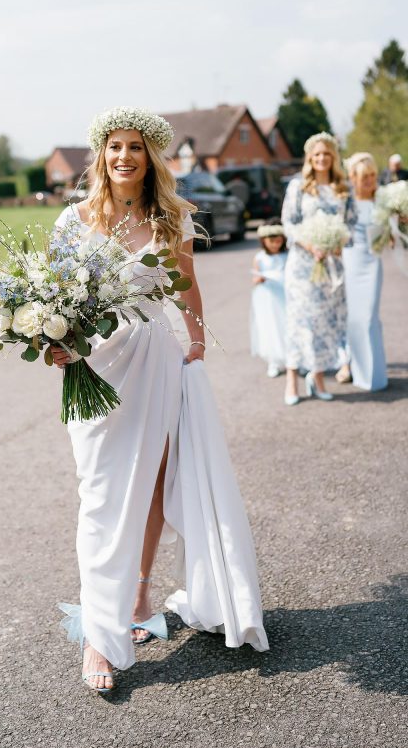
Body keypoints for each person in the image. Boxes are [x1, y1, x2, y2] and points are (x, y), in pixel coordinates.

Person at [52, 107, 268, 693]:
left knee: (151, 481)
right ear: (102, 154)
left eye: (136, 147)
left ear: (151, 158)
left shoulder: (169, 216)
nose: (124, 156)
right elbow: (57, 302)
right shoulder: (73, 221)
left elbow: (186, 280)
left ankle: (139, 596)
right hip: (97, 366)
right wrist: (56, 343)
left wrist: (196, 339)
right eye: (115, 146)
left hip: (156, 358)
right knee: (100, 493)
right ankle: (100, 636)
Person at [281, 132, 357, 406]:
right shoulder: (298, 187)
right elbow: (288, 223)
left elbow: (352, 223)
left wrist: (340, 241)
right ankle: (292, 378)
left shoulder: (343, 188)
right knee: (300, 321)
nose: (321, 158)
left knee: (325, 323)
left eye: (326, 154)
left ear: (333, 157)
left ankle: (318, 376)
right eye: (316, 155)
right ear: (309, 158)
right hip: (302, 265)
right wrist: (310, 244)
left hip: (332, 267)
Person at [340, 153, 388, 391]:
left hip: (373, 262)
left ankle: (376, 374)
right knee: (355, 317)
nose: (369, 180)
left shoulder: (382, 200)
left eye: (372, 175)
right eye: (364, 176)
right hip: (351, 260)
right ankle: (356, 369)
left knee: (370, 316)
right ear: (353, 178)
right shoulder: (345, 201)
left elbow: (391, 233)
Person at [250, 218, 288, 377]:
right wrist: (260, 279)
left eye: (278, 241)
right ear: (263, 241)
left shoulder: (287, 255)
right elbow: (255, 277)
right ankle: (274, 361)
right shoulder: (259, 257)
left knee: (286, 324)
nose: (275, 244)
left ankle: (292, 358)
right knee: (270, 326)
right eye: (271, 241)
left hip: (284, 293)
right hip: (267, 297)